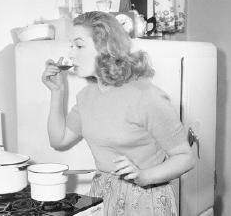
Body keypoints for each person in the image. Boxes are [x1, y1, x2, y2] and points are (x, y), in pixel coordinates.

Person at [41, 11, 195, 216]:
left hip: (145, 199)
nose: (71, 54)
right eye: (71, 46)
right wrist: (57, 92)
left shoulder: (148, 97)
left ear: (106, 47)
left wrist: (143, 176)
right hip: (102, 193)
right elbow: (58, 140)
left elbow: (185, 157)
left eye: (79, 45)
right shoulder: (86, 96)